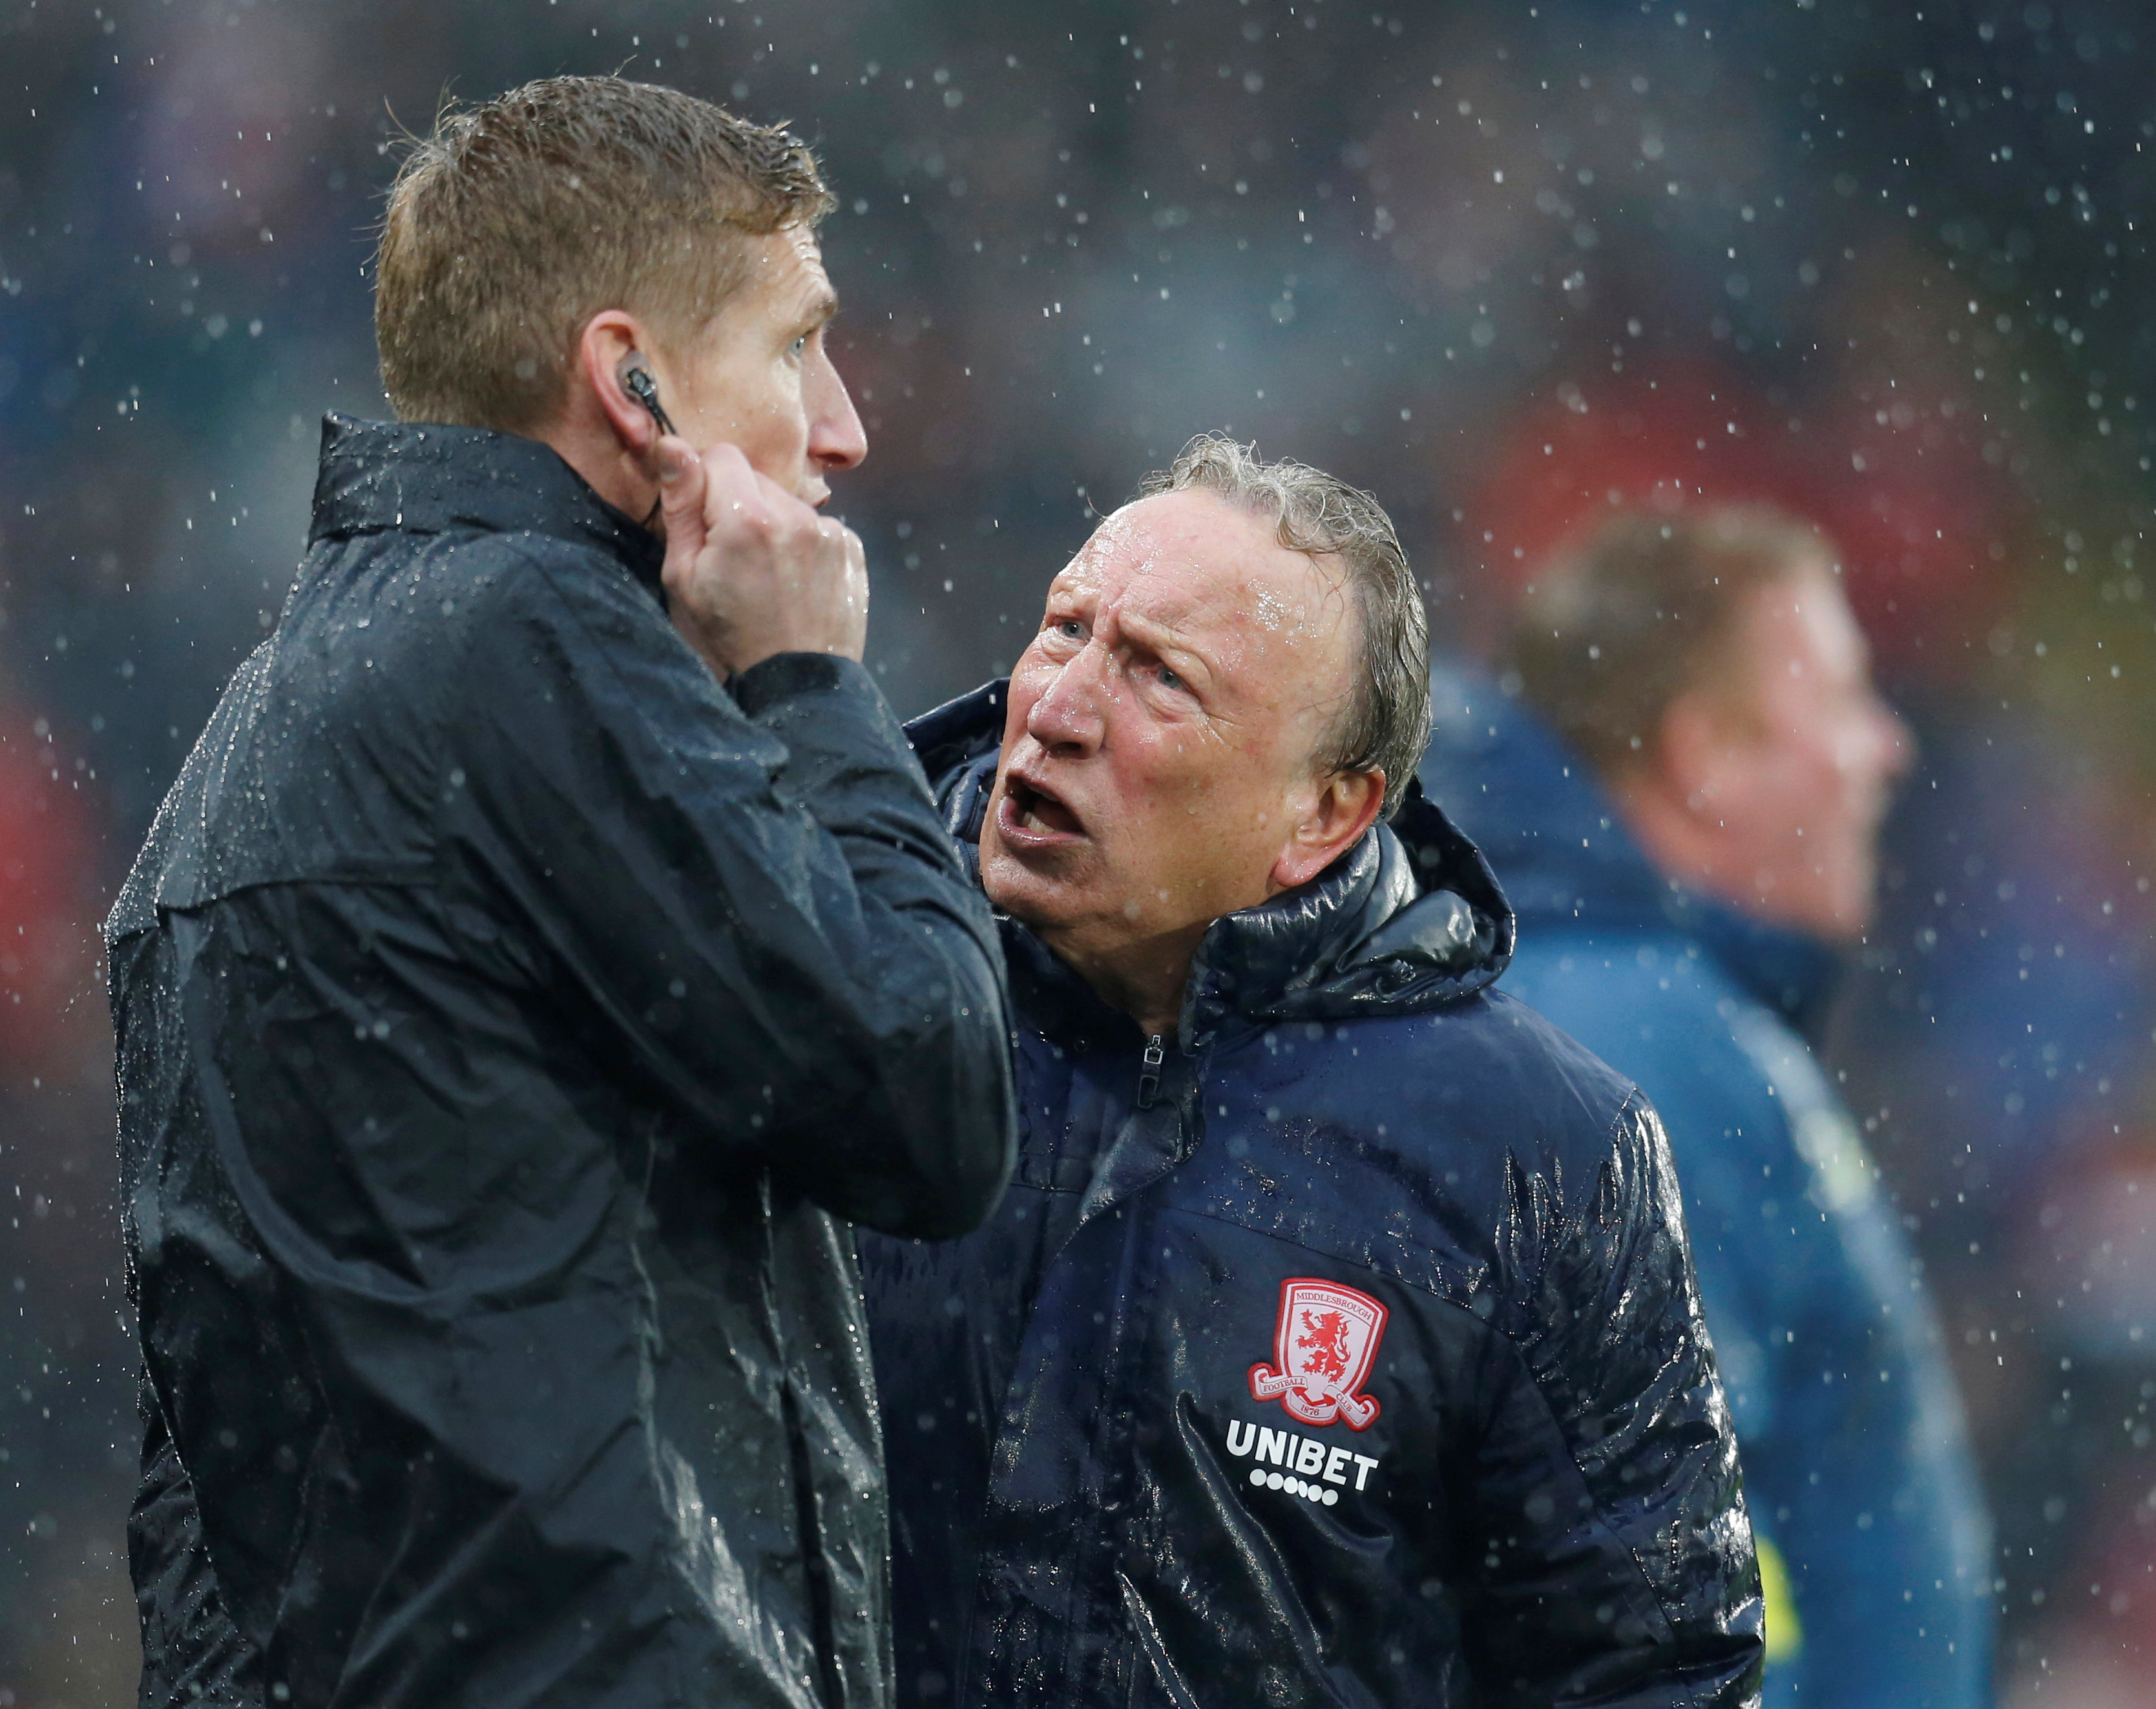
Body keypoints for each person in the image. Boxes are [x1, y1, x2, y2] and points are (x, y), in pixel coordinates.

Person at [103, 78, 1016, 1708]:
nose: (843, 428)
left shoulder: (261, 727)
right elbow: (929, 1097)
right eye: (798, 344)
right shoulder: (537, 647)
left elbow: (214, 1488)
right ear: (629, 381)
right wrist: (810, 683)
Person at [860, 436, 1764, 1708]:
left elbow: (1650, 1676)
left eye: (1160, 678)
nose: (1055, 709)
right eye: (1065, 630)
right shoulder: (836, 981)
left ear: (1325, 814)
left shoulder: (1536, 1154)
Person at [1418, 505, 1993, 1706]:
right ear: (1704, 755)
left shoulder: (1619, 1006)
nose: (1884, 747)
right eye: (1842, 697)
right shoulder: (1640, 1040)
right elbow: (1635, 1577)